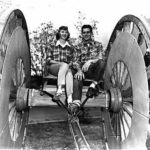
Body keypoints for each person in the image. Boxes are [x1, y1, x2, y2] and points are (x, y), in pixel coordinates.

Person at [69, 24, 106, 113]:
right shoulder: (77, 46)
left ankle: (93, 86)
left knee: (102, 63)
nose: (86, 34)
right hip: (82, 69)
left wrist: (90, 61)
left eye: (88, 32)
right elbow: (75, 61)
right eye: (84, 32)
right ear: (82, 33)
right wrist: (79, 70)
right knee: (77, 77)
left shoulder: (98, 45)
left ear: (91, 33)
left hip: (94, 70)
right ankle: (76, 104)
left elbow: (101, 58)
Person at [46, 26, 74, 104]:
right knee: (65, 65)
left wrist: (70, 64)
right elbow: (48, 60)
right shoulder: (52, 45)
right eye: (62, 32)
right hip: (54, 68)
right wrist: (60, 64)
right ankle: (59, 89)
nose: (64, 34)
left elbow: (72, 60)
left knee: (69, 73)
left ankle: (69, 98)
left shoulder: (70, 47)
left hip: (66, 69)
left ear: (68, 34)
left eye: (66, 32)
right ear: (59, 33)